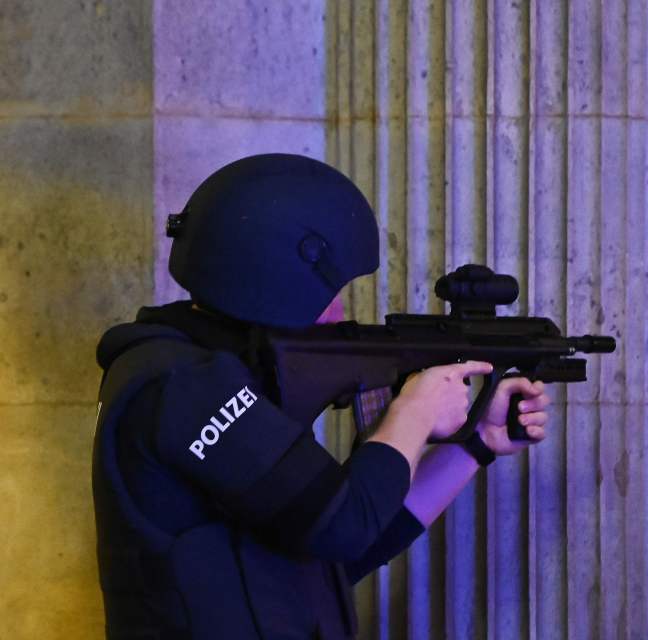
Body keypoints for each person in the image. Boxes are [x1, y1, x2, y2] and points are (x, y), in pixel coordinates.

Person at [92, 153, 551, 639]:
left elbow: (342, 546)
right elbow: (344, 525)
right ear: (272, 278)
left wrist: (473, 444)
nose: (335, 312)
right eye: (326, 291)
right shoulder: (183, 382)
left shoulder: (194, 373)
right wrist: (412, 415)